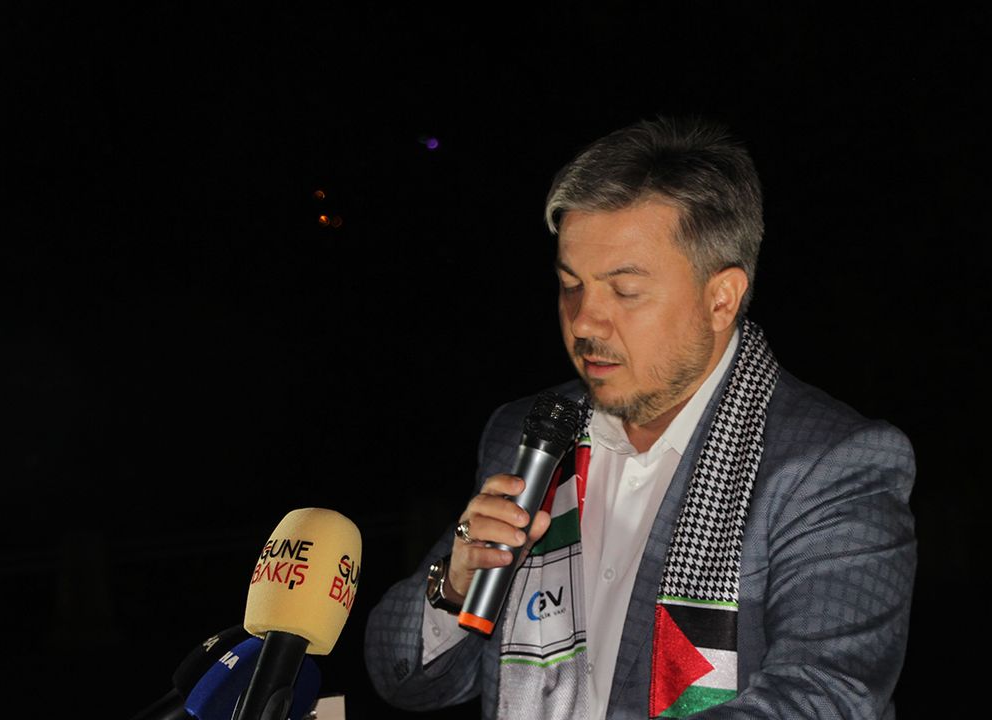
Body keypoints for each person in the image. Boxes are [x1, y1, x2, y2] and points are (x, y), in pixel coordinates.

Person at [364, 116, 917, 719]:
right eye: (570, 285)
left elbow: (823, 698)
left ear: (721, 298)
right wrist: (456, 584)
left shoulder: (829, 465)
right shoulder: (532, 432)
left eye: (624, 291)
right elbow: (402, 680)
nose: (583, 321)